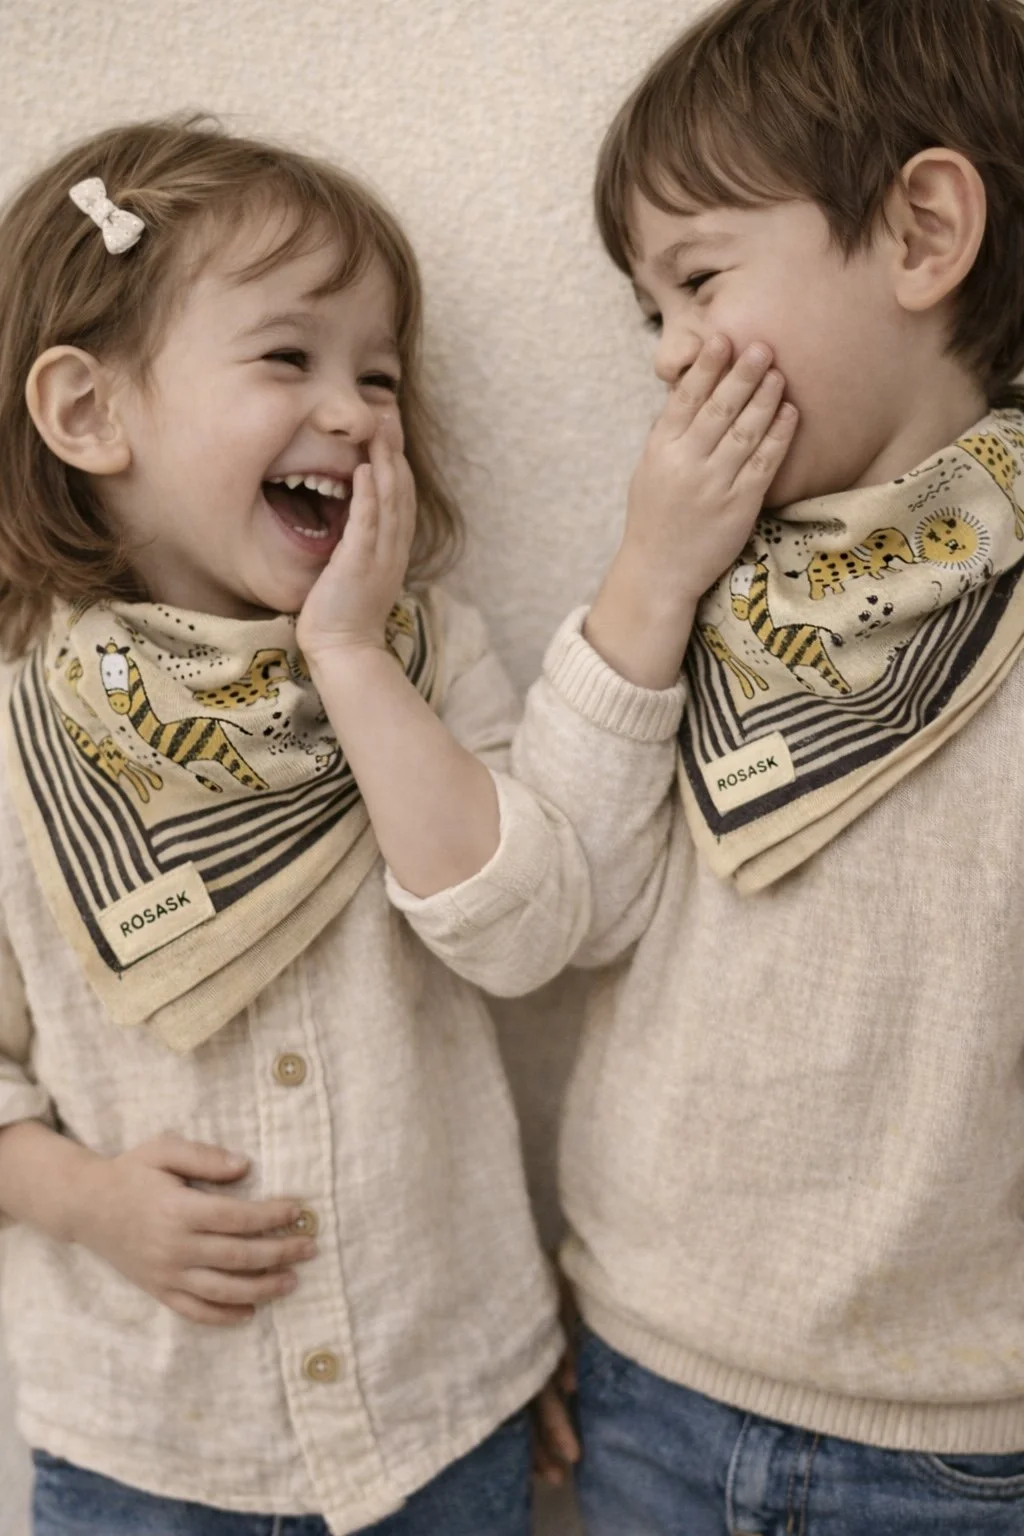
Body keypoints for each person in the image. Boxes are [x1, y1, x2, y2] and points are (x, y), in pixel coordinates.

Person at [0, 115, 589, 1536]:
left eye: (379, 373)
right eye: (288, 356)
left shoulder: (430, 657)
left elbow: (524, 938)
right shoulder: (21, 736)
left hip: (443, 1400)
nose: (360, 410)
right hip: (151, 1445)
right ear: (89, 412)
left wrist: (352, 658)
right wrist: (85, 1201)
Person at [513, 0, 1024, 1529]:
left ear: (924, 234)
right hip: (644, 1381)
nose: (670, 353)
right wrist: (648, 583)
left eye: (698, 280)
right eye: (647, 315)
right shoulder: (698, 589)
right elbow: (563, 902)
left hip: (964, 1441)